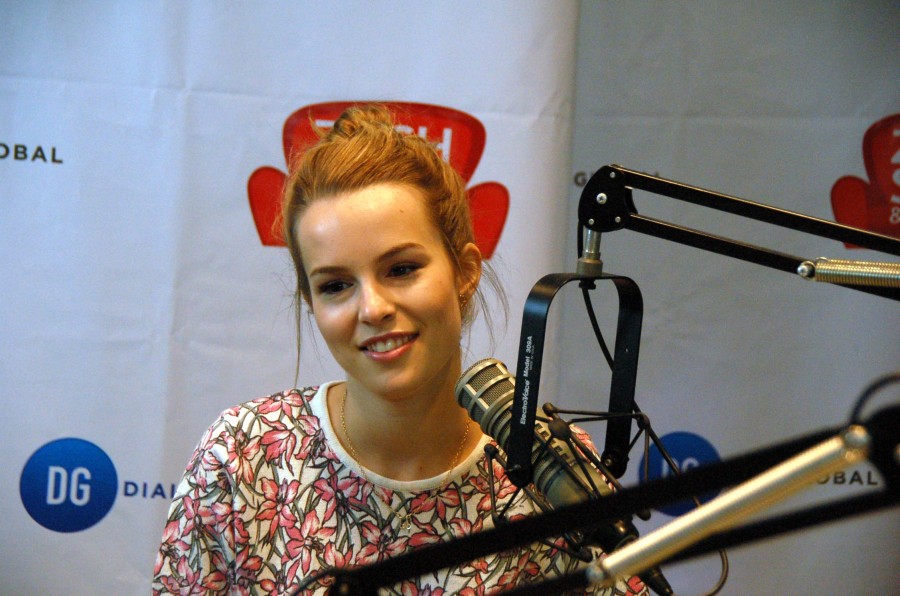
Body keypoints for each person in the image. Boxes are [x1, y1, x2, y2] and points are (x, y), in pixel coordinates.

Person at [152, 104, 647, 595]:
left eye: (401, 269)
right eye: (335, 285)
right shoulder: (243, 459)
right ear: (311, 302)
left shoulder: (552, 471)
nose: (373, 308)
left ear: (465, 271)